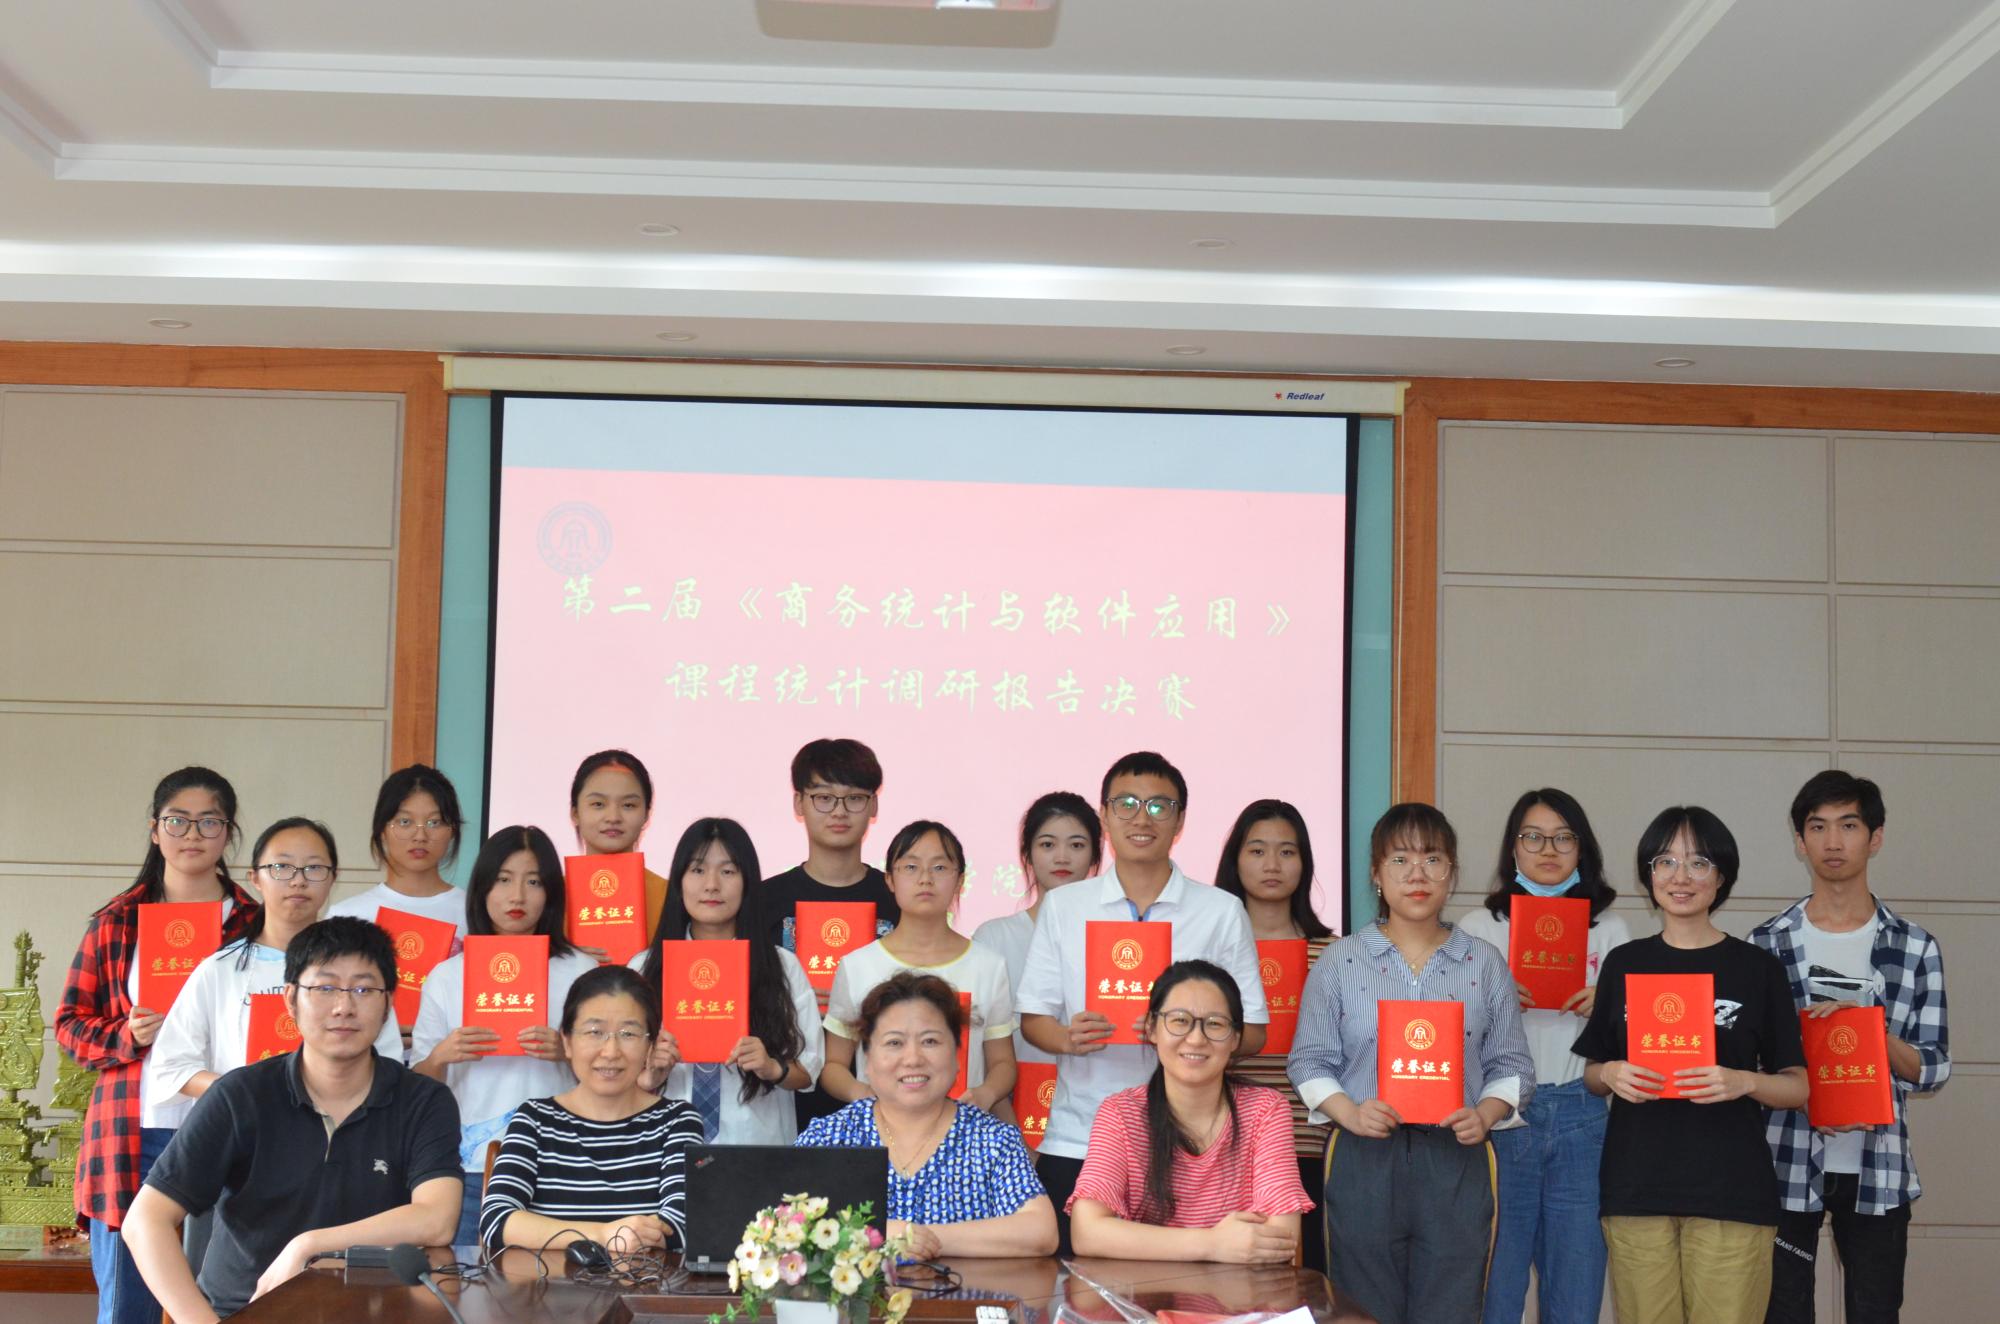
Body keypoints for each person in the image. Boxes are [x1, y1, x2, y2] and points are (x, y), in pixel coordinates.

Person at [122, 918, 461, 1323]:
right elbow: (145, 1220)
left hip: (374, 1313)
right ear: (290, 999)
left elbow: (437, 1219)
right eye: (325, 988)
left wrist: (309, 1244)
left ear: (388, 1003)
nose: (343, 1007)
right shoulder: (240, 1095)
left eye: (363, 989)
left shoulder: (423, 1100)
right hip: (247, 1310)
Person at [1286, 802, 1534, 1324]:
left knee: (1452, 1306)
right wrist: (1350, 1113)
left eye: (1432, 859)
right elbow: (1308, 1060)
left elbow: (1512, 1064)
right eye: (1399, 860)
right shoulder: (1340, 961)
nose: (1417, 875)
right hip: (1364, 1154)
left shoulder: (1485, 962)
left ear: (1452, 873)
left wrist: (1485, 1114)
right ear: (1376, 874)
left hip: (1456, 1157)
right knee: (1361, 1308)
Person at [1016, 751, 1268, 1255]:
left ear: (1180, 820)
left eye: (1159, 806)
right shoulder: (1065, 906)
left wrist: (1189, 1033)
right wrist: (1067, 1038)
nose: (1141, 818)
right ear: (1105, 816)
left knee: (1191, 1286)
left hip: (1191, 1147)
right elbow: (1033, 1020)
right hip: (1080, 1135)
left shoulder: (1220, 911)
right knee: (1072, 1287)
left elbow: (1255, 1032)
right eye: (1126, 804)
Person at [1574, 806, 1809, 1324]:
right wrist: (1610, 1074)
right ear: (1649, 875)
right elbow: (1592, 1074)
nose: (1680, 877)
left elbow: (1798, 1087)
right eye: (1666, 861)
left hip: (1732, 1191)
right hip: (1637, 1189)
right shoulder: (1625, 962)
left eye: (1699, 862)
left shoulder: (1757, 969)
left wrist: (1743, 1081)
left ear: (1721, 876)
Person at [55, 767, 262, 1324]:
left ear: (228, 832)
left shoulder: (257, 922)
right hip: (134, 1130)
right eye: (177, 821)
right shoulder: (116, 922)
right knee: (130, 1306)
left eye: (209, 821)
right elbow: (70, 1025)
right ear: (154, 829)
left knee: (230, 1300)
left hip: (231, 1128)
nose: (192, 834)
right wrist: (126, 1036)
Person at [1752, 772, 1950, 1324]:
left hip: (1879, 1165)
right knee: (1782, 1312)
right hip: (1785, 1161)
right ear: (1800, 841)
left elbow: (1934, 1067)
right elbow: (1750, 1062)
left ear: (1875, 837)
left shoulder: (1914, 946)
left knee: (1875, 1312)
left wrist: (1872, 1036)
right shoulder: (1765, 943)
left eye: (1848, 825)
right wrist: (1803, 1095)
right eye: (1817, 827)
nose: (1833, 842)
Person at [1455, 788, 1631, 1324]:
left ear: (1583, 848)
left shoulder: (1611, 929)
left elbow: (1635, 1040)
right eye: (1533, 837)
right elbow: (1451, 1034)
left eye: (1563, 837)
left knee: (1576, 1289)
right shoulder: (1478, 928)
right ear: (1513, 848)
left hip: (1582, 1114)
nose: (1548, 849)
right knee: (1496, 1288)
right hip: (1501, 1117)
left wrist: (1610, 1006)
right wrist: (1490, 997)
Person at [412, 825, 599, 1247]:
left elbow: (614, 1071)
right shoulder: (447, 975)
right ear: (482, 888)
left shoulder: (582, 972)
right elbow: (419, 1084)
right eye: (503, 879)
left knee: (561, 1283)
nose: (517, 896)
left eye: (533, 882)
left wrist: (569, 1052)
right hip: (472, 1166)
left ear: (551, 893)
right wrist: (441, 1056)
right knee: (465, 1280)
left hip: (562, 1164)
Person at [147, 816, 401, 1120]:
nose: (298, 880)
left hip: (340, 1126)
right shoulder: (220, 969)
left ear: (333, 877)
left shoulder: (359, 969)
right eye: (281, 867)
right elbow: (171, 1066)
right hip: (243, 1128)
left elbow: (388, 1061)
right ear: (255, 878)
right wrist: (244, 1091)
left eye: (314, 868)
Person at [797, 970, 1057, 1258]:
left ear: (956, 1056)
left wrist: (913, 1237)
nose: (913, 1059)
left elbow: (1041, 1231)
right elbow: (779, 1223)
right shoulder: (830, 1137)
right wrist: (876, 1233)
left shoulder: (992, 1139)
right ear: (867, 1060)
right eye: (894, 1043)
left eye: (930, 1041)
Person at [1068, 960, 1314, 1263]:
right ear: (1151, 1028)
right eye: (1180, 1021)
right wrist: (1213, 1244)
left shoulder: (1265, 1110)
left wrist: (1148, 1242)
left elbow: (1281, 1237)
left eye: (1215, 1024)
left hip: (1239, 1292)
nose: (1196, 1039)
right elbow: (1087, 1231)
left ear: (1235, 1038)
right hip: (1146, 1292)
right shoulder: (1120, 1113)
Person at [479, 965, 704, 1255]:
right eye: (595, 1032)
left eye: (628, 1034)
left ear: (650, 1045)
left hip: (643, 1284)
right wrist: (601, 1234)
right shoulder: (535, 1119)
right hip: (545, 1284)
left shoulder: (677, 1121)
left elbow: (678, 1227)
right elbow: (497, 1220)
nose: (610, 1052)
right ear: (567, 1041)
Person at [632, 817, 823, 1142]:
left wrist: (771, 1067)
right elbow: (617, 1070)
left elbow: (808, 1071)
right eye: (697, 870)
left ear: (748, 883)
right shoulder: (644, 968)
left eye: (728, 871)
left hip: (756, 1146)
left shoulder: (781, 966)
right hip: (664, 1145)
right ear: (678, 881)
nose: (711, 885)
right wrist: (649, 1075)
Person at [1211, 799, 1335, 1274]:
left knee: (1308, 1279)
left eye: (1287, 852)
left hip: (1310, 1141)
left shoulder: (1335, 954)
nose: (1272, 865)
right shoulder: (1209, 953)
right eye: (1257, 850)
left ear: (1304, 863)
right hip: (1223, 1144)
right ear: (1235, 859)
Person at [822, 821, 1017, 1111]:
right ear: (890, 879)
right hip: (882, 1126)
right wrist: (861, 1093)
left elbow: (1003, 1062)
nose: (925, 879)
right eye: (911, 867)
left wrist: (985, 1094)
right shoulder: (857, 965)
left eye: (939, 867)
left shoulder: (989, 965)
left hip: (959, 1125)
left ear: (960, 880)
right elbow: (833, 1065)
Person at [970, 791, 1102, 1124]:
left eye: (1077, 845)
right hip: (1006, 1109)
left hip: (1094, 1112)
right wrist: (1008, 1125)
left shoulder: (1113, 940)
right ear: (1027, 854)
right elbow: (978, 1044)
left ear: (1095, 855)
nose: (1062, 857)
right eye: (1047, 845)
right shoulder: (993, 938)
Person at [326, 764, 469, 1038]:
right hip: (368, 1057)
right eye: (404, 822)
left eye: (434, 822)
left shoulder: (475, 912)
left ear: (452, 830)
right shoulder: (347, 915)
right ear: (382, 829)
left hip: (453, 1057)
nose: (420, 835)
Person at [570, 748, 672, 941]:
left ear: (646, 814)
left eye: (628, 805)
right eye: (598, 804)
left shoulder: (669, 896)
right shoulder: (550, 895)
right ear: (575, 813)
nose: (613, 817)